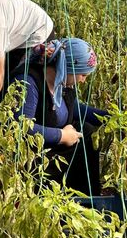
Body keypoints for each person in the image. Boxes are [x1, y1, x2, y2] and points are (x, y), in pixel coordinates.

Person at [11, 38, 108, 196]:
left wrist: (106, 117)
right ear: (68, 67)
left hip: (53, 147)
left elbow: (72, 109)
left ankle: (85, 199)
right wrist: (62, 136)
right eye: (83, 75)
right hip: (34, 155)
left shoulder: (62, 82)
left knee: (87, 132)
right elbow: (21, 127)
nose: (83, 81)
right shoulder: (28, 82)